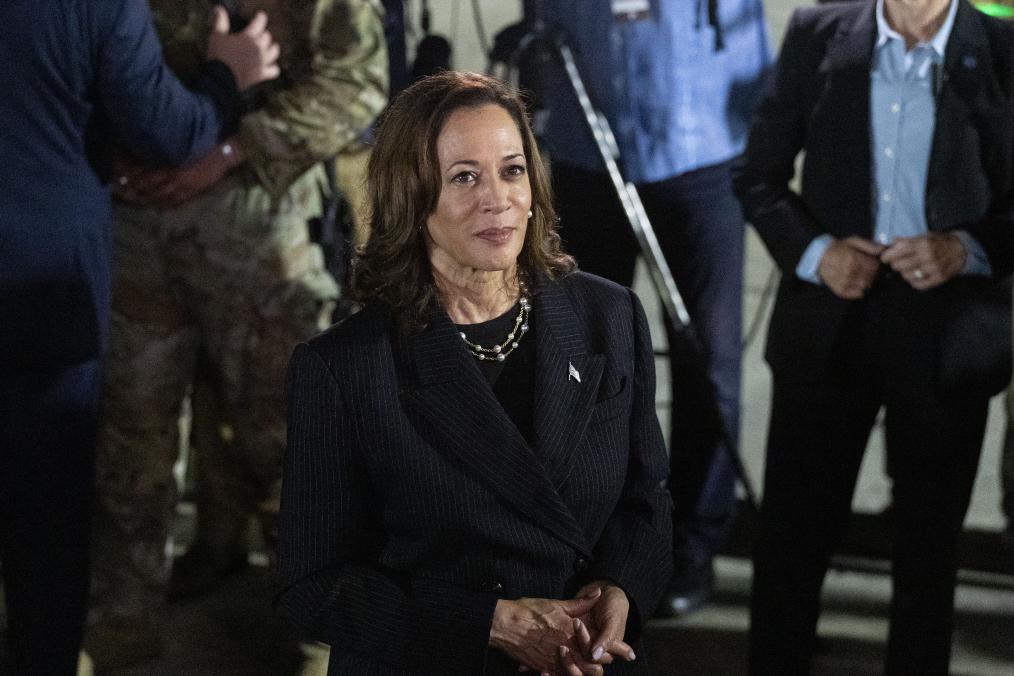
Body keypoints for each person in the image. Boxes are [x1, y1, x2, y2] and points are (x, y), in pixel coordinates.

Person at [277, 71, 673, 675]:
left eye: (512, 170)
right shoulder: (344, 367)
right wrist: (489, 623)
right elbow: (310, 588)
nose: (498, 198)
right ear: (411, 197)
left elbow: (646, 501)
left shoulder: (609, 315)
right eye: (465, 177)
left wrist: (621, 589)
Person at [84, 0, 387, 669]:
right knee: (127, 443)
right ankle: (121, 626)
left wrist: (231, 151)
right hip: (133, 225)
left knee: (292, 444)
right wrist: (106, 150)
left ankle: (319, 637)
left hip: (257, 232)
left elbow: (356, 79)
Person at [733, 0, 1014, 673]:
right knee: (792, 540)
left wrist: (964, 250)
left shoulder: (1003, 48)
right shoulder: (817, 33)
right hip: (829, 321)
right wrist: (817, 254)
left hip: (947, 331)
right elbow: (758, 176)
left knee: (928, 550)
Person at [0, 1, 279, 672]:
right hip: (46, 288)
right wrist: (227, 76)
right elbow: (167, 130)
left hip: (47, 289)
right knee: (46, 521)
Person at [537, 0, 771, 614]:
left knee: (710, 360)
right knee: (581, 361)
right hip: (584, 145)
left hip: (701, 145)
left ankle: (693, 544)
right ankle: (586, 542)